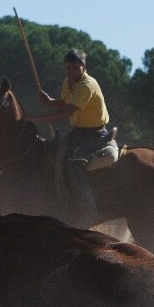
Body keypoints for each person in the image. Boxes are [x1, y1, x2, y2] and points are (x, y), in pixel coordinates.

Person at [27, 49, 109, 228]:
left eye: (75, 67)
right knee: (54, 154)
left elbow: (68, 111)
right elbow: (66, 102)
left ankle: (90, 211)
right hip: (79, 131)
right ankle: (63, 199)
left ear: (83, 67)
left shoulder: (87, 85)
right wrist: (49, 101)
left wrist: (40, 119)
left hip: (95, 134)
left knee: (73, 163)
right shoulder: (68, 82)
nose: (70, 71)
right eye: (68, 67)